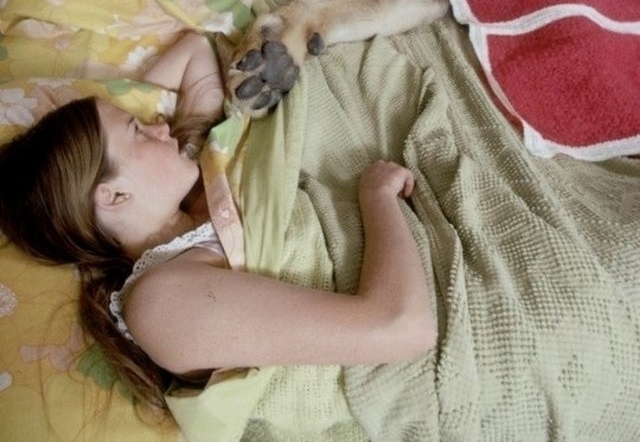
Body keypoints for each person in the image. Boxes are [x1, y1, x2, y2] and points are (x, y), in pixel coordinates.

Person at [0, 31, 435, 416]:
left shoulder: (194, 186)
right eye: (135, 129)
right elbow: (400, 327)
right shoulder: (160, 304)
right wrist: (377, 197)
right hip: (402, 352)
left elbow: (195, 49)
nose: (157, 126)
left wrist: (118, 97)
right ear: (113, 196)